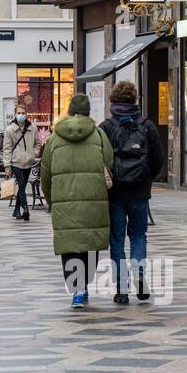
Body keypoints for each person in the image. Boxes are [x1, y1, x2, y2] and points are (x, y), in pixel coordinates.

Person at [40, 94, 113, 309]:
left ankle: (77, 291)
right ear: (89, 112)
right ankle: (85, 285)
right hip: (94, 201)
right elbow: (110, 164)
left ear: (70, 111)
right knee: (90, 243)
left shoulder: (54, 138)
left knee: (70, 245)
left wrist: (51, 201)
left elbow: (45, 172)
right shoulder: (99, 135)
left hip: (65, 202)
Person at [99, 82, 166, 305]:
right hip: (140, 192)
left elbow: (101, 159)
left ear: (113, 100)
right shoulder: (146, 125)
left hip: (115, 193)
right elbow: (158, 160)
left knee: (117, 240)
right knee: (138, 236)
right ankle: (139, 276)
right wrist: (146, 178)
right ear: (135, 99)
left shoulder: (106, 127)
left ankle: (121, 289)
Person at [3, 103, 39, 221]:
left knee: (22, 186)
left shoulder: (32, 128)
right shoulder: (9, 130)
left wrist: (34, 154)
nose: (21, 115)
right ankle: (25, 209)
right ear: (15, 114)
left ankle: (17, 209)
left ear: (26, 114)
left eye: (23, 113)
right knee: (22, 184)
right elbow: (7, 149)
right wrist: (7, 166)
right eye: (19, 113)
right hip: (16, 162)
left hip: (28, 162)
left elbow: (37, 143)